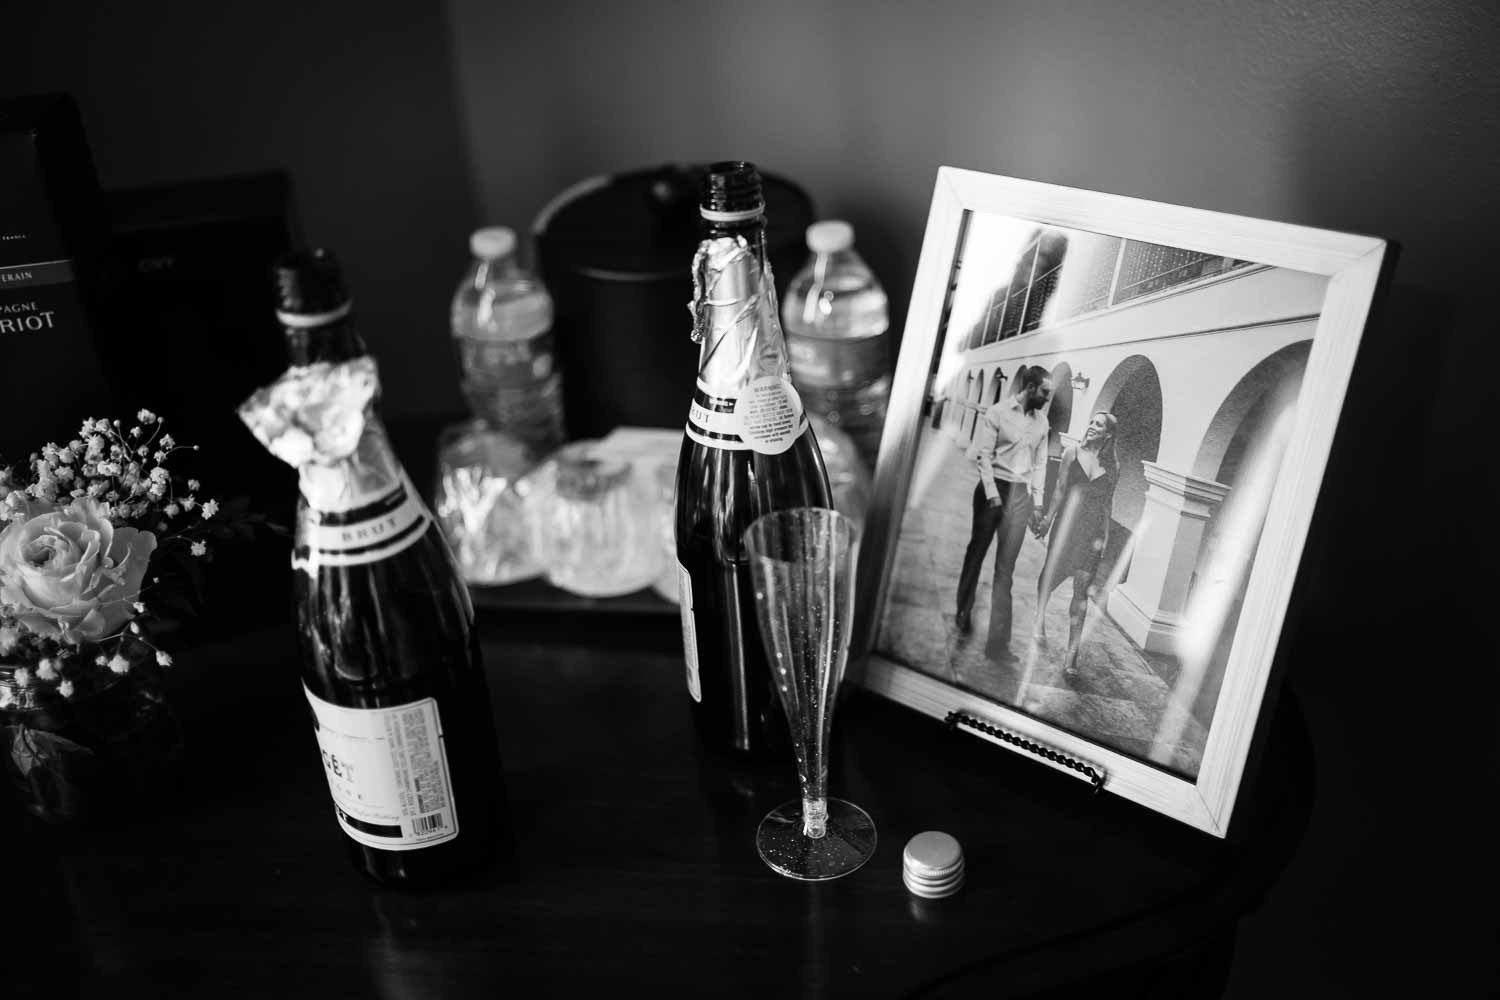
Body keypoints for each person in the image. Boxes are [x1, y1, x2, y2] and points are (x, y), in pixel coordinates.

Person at [954, 365, 1053, 661]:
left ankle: (998, 644)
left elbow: (1040, 464)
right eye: (1045, 392)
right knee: (976, 553)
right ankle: (963, 611)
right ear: (1031, 387)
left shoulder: (1042, 423)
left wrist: (1037, 503)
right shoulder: (998, 412)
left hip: (1020, 495)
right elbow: (984, 455)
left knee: (1005, 571)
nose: (1047, 398)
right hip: (992, 490)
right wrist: (993, 494)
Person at [1032, 411, 1119, 674]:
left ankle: (1071, 656)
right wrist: (1047, 520)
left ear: (1109, 434)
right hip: (1066, 528)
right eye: (1091, 422)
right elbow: (1059, 490)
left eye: (1099, 425)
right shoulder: (1071, 453)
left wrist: (1104, 538)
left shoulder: (1114, 466)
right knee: (1050, 577)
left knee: (1081, 593)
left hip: (1090, 534)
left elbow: (1107, 504)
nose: (1092, 426)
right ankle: (1039, 619)